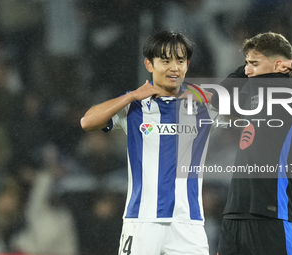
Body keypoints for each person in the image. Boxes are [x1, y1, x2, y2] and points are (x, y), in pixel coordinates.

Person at [80, 30, 226, 255]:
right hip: (142, 220)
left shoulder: (203, 106)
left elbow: (255, 120)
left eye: (180, 60)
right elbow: (88, 121)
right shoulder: (135, 106)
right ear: (149, 64)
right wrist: (130, 96)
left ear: (187, 65)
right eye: (165, 61)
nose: (173, 67)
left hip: (188, 223)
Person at [210, 32, 292, 255]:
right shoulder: (249, 101)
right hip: (234, 213)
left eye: (254, 63)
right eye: (246, 63)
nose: (246, 70)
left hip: (272, 214)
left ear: (280, 65)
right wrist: (246, 69)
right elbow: (218, 98)